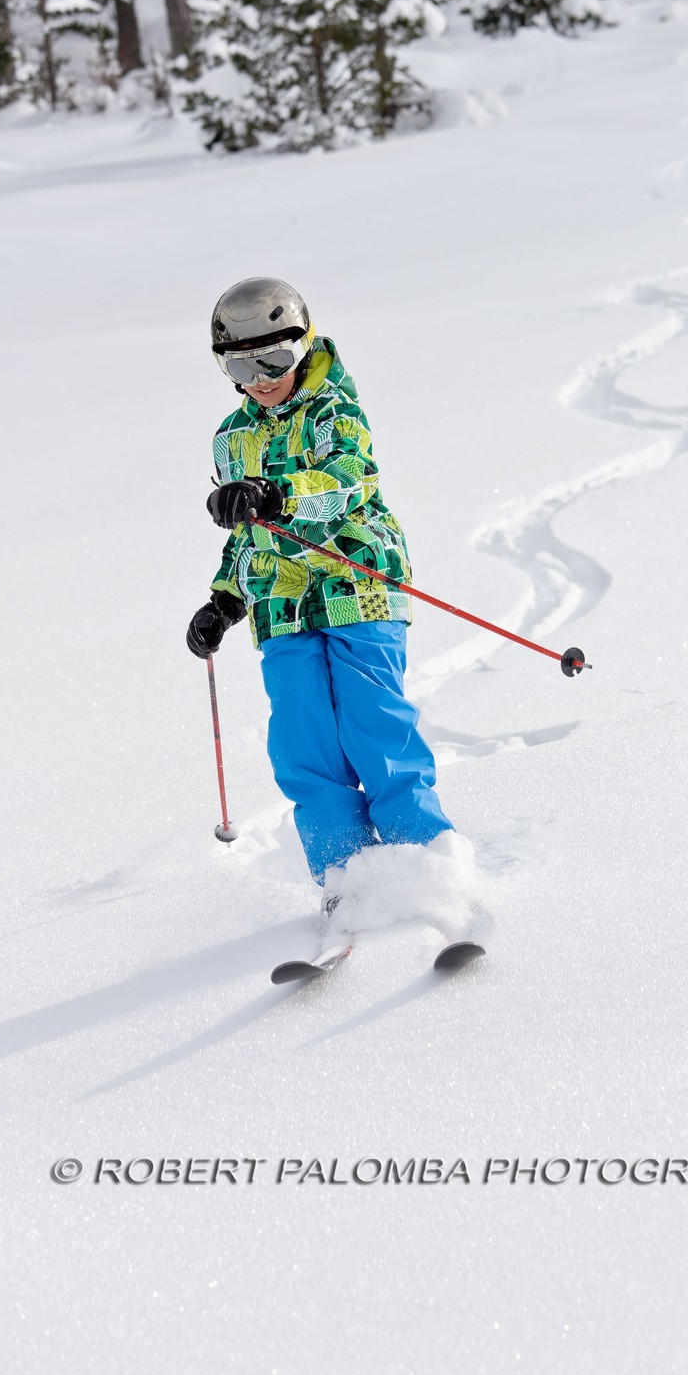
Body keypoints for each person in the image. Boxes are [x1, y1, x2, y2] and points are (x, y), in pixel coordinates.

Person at [186, 277, 455, 913]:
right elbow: (249, 538)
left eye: (274, 359)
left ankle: (427, 862)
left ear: (302, 346)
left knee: (374, 728)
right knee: (303, 746)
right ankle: (346, 876)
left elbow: (344, 485)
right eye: (241, 364)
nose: (261, 377)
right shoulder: (230, 437)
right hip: (281, 605)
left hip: (357, 584)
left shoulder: (336, 411)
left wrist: (274, 495)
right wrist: (225, 600)